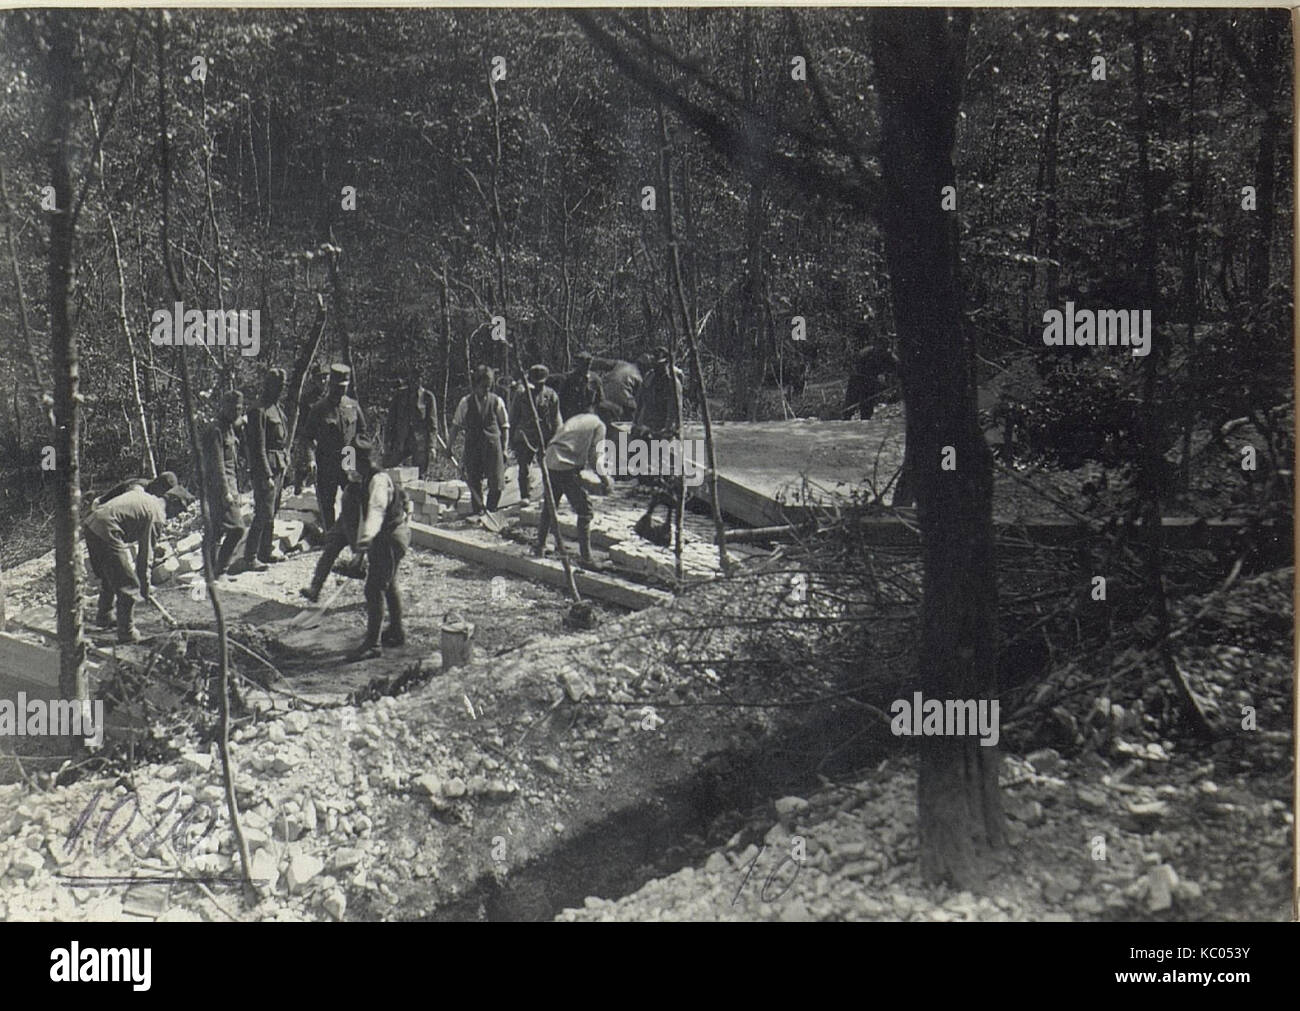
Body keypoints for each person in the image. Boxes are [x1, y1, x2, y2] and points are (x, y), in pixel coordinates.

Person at [84, 473, 194, 643]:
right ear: (173, 503)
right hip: (107, 529)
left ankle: (105, 615)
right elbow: (145, 556)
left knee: (110, 574)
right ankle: (127, 632)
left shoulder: (145, 497)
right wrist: (145, 585)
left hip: (92, 524)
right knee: (129, 585)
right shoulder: (157, 514)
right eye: (179, 510)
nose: (177, 515)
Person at [350, 438, 410, 659]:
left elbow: (376, 510)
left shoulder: (378, 480)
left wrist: (366, 538)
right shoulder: (368, 478)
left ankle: (372, 645)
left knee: (373, 589)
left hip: (391, 537)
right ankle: (396, 630)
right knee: (389, 583)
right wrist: (360, 551)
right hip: (389, 536)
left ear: (361, 461)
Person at [534, 407, 614, 566]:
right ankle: (586, 558)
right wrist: (606, 479)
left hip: (550, 459)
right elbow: (594, 457)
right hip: (565, 464)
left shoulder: (581, 417)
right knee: (585, 510)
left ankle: (540, 546)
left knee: (551, 506)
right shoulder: (599, 426)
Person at [304, 363, 367, 529]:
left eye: (344, 387)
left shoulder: (353, 405)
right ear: (331, 385)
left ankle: (352, 532)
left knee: (354, 498)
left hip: (349, 458)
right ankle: (331, 536)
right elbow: (308, 438)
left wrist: (362, 457)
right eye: (338, 387)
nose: (342, 391)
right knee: (327, 502)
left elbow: (362, 433)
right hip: (327, 460)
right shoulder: (319, 408)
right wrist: (311, 460)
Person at [200, 389, 251, 577]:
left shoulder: (229, 426)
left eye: (239, 409)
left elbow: (238, 424)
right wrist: (225, 492)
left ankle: (211, 571)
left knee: (216, 530)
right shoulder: (215, 430)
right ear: (224, 407)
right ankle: (219, 569)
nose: (237, 412)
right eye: (233, 408)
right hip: (220, 488)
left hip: (229, 485)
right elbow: (218, 464)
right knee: (237, 528)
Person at [244, 368, 291, 567]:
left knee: (272, 511)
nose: (280, 390)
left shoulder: (276, 407)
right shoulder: (258, 410)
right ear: (268, 385)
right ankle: (250, 557)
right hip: (267, 467)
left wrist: (286, 462)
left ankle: (265, 551)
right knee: (263, 511)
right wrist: (266, 474)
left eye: (282, 386)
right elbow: (258, 446)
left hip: (279, 464)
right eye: (277, 386)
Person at [448, 365, 509, 514]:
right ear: (475, 385)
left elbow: (505, 426)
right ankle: (478, 511)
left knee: (496, 482)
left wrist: (505, 448)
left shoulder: (497, 401)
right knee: (474, 480)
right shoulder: (465, 402)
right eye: (483, 387)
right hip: (473, 446)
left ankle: (491, 509)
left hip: (493, 446)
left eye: (489, 387)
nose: (486, 390)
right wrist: (449, 446)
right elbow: (456, 425)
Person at [299, 480, 365, 603]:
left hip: (365, 525)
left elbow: (367, 518)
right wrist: (333, 534)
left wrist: (360, 552)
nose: (352, 473)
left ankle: (378, 595)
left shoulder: (374, 485)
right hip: (346, 522)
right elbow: (346, 511)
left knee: (376, 565)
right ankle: (315, 588)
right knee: (330, 549)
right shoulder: (350, 487)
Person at [508, 364, 562, 504]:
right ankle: (525, 496)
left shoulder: (551, 395)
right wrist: (511, 439)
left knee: (548, 467)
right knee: (524, 468)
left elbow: (556, 419)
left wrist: (557, 438)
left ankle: (549, 495)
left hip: (544, 436)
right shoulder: (521, 394)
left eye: (541, 383)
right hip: (524, 437)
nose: (538, 386)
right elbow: (513, 417)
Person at [384, 376, 440, 478]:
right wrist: (387, 441)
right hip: (401, 440)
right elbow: (390, 421)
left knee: (419, 475)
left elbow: (433, 425)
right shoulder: (400, 395)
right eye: (413, 377)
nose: (415, 381)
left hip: (420, 443)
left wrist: (432, 446)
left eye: (418, 378)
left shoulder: (428, 397)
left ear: (422, 380)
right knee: (387, 468)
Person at [634, 346, 683, 438]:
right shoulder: (649, 377)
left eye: (660, 365)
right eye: (654, 364)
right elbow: (640, 401)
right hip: (649, 425)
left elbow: (675, 409)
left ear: (667, 364)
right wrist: (636, 423)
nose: (657, 368)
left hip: (665, 427)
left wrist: (669, 429)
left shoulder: (673, 383)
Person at [843, 344, 898, 420]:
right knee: (850, 404)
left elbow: (897, 367)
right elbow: (856, 366)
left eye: (883, 350)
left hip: (871, 382)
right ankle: (846, 418)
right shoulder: (865, 353)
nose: (881, 351)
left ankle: (865, 420)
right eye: (879, 349)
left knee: (867, 407)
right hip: (858, 378)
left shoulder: (889, 355)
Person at [558, 350, 604, 421]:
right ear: (578, 364)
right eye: (584, 364)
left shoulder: (595, 379)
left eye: (589, 365)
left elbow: (600, 400)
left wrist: (593, 411)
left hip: (589, 416)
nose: (587, 367)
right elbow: (562, 400)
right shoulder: (569, 379)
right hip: (572, 416)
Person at [600, 358, 644, 423]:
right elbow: (639, 398)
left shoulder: (621, 364)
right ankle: (623, 433)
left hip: (605, 397)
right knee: (625, 425)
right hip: (622, 404)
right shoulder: (639, 377)